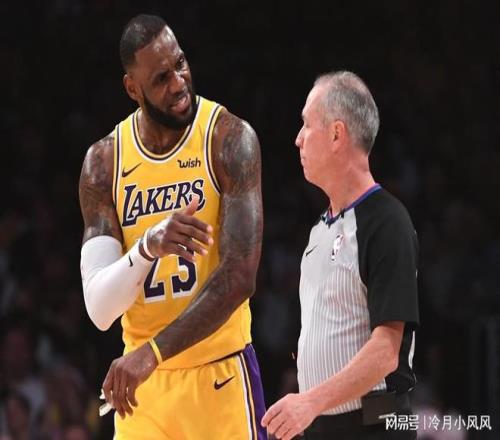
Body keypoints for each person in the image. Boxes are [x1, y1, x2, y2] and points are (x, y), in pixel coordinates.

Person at [78, 14, 265, 439]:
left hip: (217, 375)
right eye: (161, 79)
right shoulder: (104, 163)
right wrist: (147, 247)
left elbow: (240, 278)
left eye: (180, 64)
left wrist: (154, 352)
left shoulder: (228, 138)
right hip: (142, 389)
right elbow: (100, 310)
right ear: (132, 88)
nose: (179, 84)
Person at [262, 71, 419, 439]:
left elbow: (385, 351)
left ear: (336, 134)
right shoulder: (319, 230)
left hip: (376, 426)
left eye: (306, 124)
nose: (298, 138)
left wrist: (309, 401)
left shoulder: (387, 222)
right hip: (320, 427)